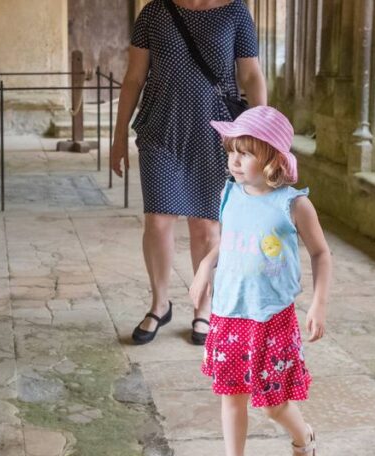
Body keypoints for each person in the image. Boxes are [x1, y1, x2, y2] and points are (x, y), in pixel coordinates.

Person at [188, 106, 332, 456]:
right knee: (230, 396)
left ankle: (303, 438)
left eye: (245, 152)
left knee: (271, 403)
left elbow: (321, 253)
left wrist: (318, 303)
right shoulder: (229, 193)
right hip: (230, 313)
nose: (233, 159)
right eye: (232, 149)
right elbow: (228, 241)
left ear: (272, 158)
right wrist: (204, 265)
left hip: (272, 317)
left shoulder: (293, 205)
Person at [111, 0, 267, 345]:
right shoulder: (153, 12)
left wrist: (263, 129)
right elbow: (134, 77)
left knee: (205, 225)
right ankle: (159, 304)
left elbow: (251, 74)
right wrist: (119, 134)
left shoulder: (235, 11)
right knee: (158, 220)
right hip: (160, 129)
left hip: (216, 134)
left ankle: (202, 306)